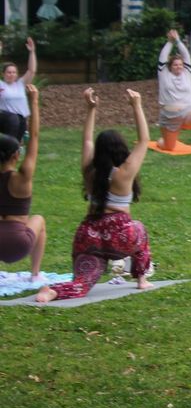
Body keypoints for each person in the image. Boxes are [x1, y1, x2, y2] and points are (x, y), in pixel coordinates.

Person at [36, 88, 153, 302]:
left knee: (82, 284)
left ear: (99, 151)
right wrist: (137, 106)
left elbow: (88, 141)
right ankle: (141, 279)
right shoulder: (123, 174)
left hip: (89, 235)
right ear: (120, 150)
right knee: (140, 230)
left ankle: (52, 291)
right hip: (119, 237)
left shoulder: (90, 172)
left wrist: (90, 109)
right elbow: (144, 140)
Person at [0, 83, 47, 280]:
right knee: (39, 220)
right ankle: (35, 273)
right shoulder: (23, 176)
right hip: (19, 244)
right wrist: (34, 102)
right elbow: (34, 137)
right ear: (15, 156)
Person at [156, 29, 191, 152]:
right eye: (175, 65)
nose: (179, 67)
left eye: (180, 65)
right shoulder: (164, 74)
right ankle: (161, 141)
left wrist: (178, 41)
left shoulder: (187, 73)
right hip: (169, 116)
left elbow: (186, 56)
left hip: (187, 113)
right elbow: (163, 57)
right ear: (170, 67)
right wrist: (170, 42)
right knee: (169, 147)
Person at [0, 37, 37, 138]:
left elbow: (31, 70)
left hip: (22, 119)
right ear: (3, 74)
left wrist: (32, 52)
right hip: (6, 120)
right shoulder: (1, 85)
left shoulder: (20, 84)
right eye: (8, 72)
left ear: (17, 74)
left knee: (18, 146)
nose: (11, 74)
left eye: (14, 72)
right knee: (10, 145)